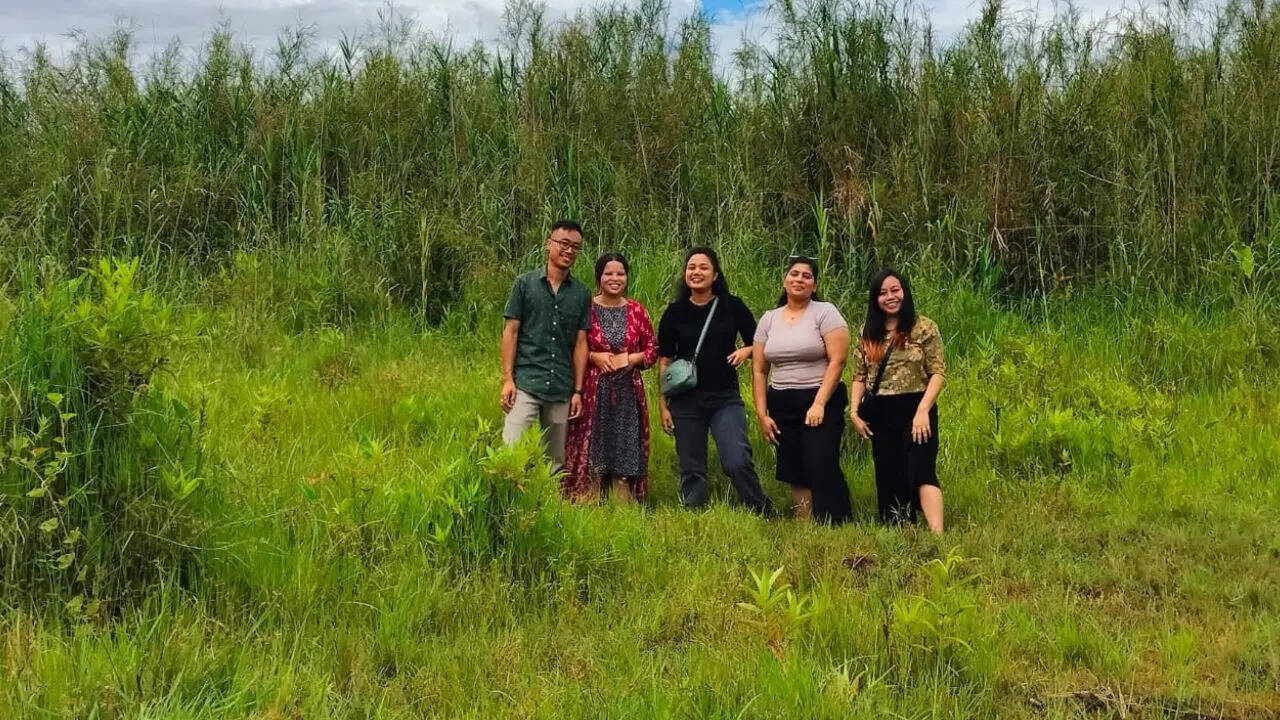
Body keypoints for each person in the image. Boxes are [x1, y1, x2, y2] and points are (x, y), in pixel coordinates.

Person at [657, 247, 774, 515]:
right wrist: (663, 405)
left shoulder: (733, 306)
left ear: (715, 274)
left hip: (725, 398)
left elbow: (762, 343)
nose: (696, 272)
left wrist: (747, 350)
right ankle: (695, 516)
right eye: (691, 267)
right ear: (685, 274)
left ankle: (761, 509)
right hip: (685, 401)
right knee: (692, 467)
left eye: (703, 267)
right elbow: (664, 361)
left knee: (736, 460)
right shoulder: (674, 313)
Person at [752, 256, 851, 524]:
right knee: (793, 464)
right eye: (794, 274)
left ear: (814, 284)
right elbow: (760, 370)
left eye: (806, 276)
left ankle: (836, 523)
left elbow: (837, 361)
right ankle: (805, 525)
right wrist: (762, 414)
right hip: (781, 400)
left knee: (820, 459)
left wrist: (819, 403)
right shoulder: (769, 319)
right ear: (785, 280)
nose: (799, 279)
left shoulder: (825, 312)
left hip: (820, 396)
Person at [849, 268, 946, 533]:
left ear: (904, 292)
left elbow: (937, 372)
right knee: (889, 473)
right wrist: (855, 412)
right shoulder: (868, 331)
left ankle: (938, 534)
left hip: (917, 407)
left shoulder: (924, 327)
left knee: (921, 468)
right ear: (874, 298)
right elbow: (859, 375)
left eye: (895, 290)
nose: (890, 297)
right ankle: (900, 529)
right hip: (881, 411)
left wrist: (923, 410)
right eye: (882, 293)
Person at [562, 253, 658, 502]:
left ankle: (624, 513)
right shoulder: (587, 307)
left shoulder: (636, 310)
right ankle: (589, 505)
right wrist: (594, 356)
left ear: (626, 277)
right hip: (594, 393)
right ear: (599, 277)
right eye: (608, 273)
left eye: (620, 273)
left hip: (627, 394)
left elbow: (652, 349)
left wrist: (632, 358)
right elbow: (572, 345)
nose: (615, 278)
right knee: (594, 458)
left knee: (624, 461)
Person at [499, 220, 591, 470]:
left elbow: (581, 343)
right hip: (526, 382)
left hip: (561, 386)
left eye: (575, 247)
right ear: (548, 243)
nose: (569, 250)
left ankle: (547, 507)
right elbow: (511, 332)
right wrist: (508, 379)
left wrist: (578, 391)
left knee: (554, 463)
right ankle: (508, 504)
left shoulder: (581, 293)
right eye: (563, 243)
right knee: (511, 451)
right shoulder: (525, 284)